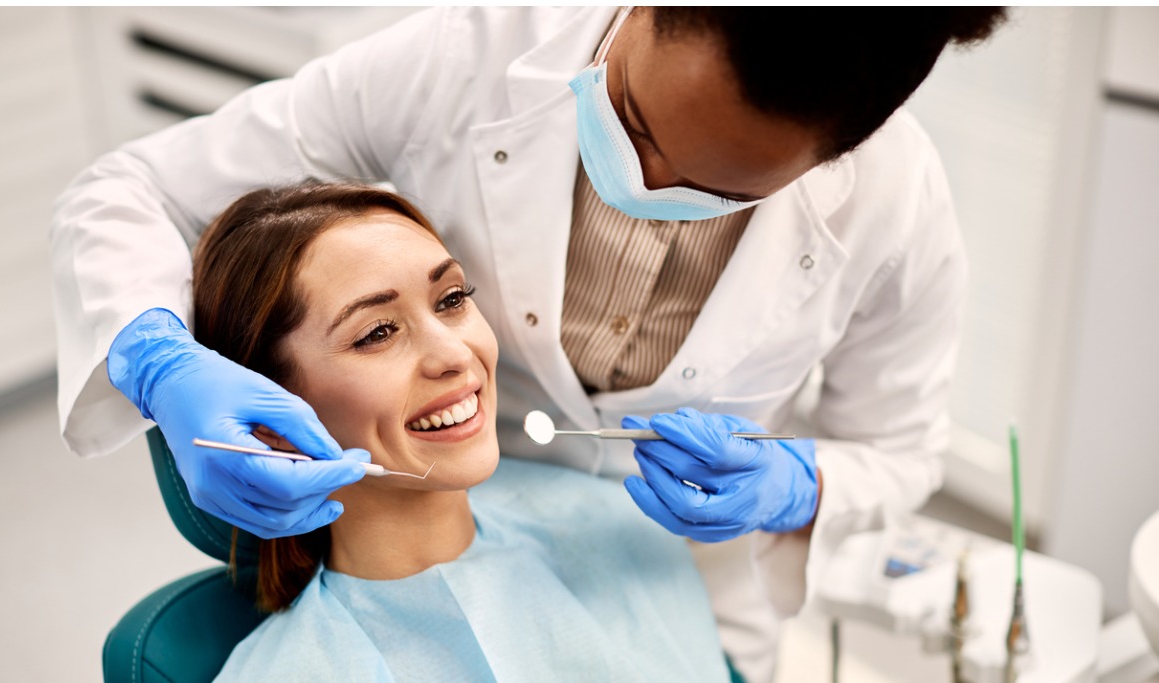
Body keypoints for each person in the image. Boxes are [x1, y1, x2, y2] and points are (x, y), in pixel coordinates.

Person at [51, 7, 1007, 679]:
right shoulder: (466, 56)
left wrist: (801, 483)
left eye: (710, 191)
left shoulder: (896, 203)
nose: (645, 178)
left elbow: (899, 449)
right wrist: (159, 362)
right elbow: (125, 193)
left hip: (675, 589)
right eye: (634, 120)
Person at [192, 181, 731, 682]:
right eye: (377, 333)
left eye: (451, 299)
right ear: (272, 422)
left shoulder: (617, 528)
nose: (455, 354)